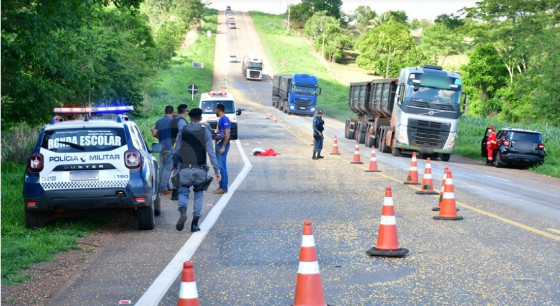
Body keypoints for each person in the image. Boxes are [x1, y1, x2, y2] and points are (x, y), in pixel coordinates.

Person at [172, 108, 221, 232]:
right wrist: (217, 171)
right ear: (200, 118)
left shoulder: (183, 131)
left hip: (184, 169)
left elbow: (177, 150)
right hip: (200, 169)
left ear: (189, 118)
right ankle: (194, 224)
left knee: (183, 192)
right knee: (198, 195)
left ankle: (183, 212)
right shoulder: (205, 131)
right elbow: (211, 152)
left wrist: (174, 164)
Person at [151, 105, 174, 195]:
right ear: (172, 112)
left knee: (162, 167)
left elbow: (154, 131)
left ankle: (165, 185)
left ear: (165, 112)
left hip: (161, 146)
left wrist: (158, 137)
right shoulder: (172, 121)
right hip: (169, 146)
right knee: (168, 168)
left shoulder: (159, 121)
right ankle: (163, 187)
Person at [170, 104, 189, 200]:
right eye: (187, 111)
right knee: (180, 170)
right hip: (180, 149)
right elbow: (184, 135)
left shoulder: (175, 119)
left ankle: (176, 191)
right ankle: (177, 192)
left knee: (177, 170)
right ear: (185, 111)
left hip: (175, 147)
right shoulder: (181, 121)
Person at [213, 104, 231, 195]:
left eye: (216, 109)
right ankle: (221, 186)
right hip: (219, 144)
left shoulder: (225, 120)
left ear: (219, 110)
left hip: (222, 146)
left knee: (222, 166)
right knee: (220, 166)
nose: (215, 111)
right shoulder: (220, 120)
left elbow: (227, 134)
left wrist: (223, 146)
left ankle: (223, 187)